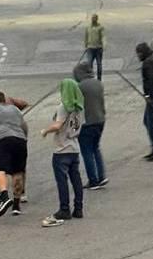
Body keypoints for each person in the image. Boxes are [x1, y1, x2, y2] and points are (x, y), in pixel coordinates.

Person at [41, 79, 85, 227]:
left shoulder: (64, 107)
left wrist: (46, 130)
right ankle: (78, 208)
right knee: (76, 178)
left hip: (61, 148)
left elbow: (58, 125)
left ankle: (64, 208)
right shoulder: (79, 108)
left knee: (62, 181)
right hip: (74, 146)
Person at [0, 91, 28, 216]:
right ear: (5, 100)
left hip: (3, 140)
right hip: (20, 140)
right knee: (18, 171)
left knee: (0, 169)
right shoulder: (14, 109)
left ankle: (4, 196)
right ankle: (16, 204)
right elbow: (24, 126)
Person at [73, 62, 108, 190]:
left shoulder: (80, 87)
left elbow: (74, 105)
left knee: (86, 151)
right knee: (96, 148)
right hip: (100, 120)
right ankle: (101, 176)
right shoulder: (98, 83)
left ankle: (93, 180)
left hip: (87, 122)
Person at [84, 14, 106, 81]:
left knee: (99, 65)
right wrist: (86, 45)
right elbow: (86, 37)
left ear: (97, 19)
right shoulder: (88, 27)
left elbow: (103, 36)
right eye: (92, 18)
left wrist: (104, 45)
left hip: (98, 48)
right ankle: (90, 78)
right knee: (89, 64)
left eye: (94, 18)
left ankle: (99, 79)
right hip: (90, 48)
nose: (93, 19)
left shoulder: (100, 27)